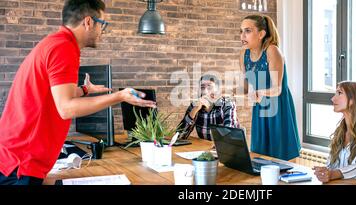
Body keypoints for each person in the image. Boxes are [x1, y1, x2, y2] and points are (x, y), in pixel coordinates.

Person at [0, 0, 156, 185]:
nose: (103, 31)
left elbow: (52, 93)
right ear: (89, 22)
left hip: (16, 157)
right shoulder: (63, 48)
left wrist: (84, 90)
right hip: (21, 163)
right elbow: (66, 109)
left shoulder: (55, 42)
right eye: (103, 24)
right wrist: (119, 96)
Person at [239, 15, 300, 161]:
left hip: (278, 109)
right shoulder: (243, 54)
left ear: (261, 34)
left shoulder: (272, 50)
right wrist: (221, 92)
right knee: (259, 158)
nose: (242, 36)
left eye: (247, 31)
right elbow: (245, 88)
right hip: (260, 108)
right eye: (241, 31)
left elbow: (277, 88)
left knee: (280, 161)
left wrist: (259, 92)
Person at [177, 74, 240, 141]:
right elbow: (179, 137)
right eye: (202, 87)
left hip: (225, 149)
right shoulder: (195, 106)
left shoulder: (227, 104)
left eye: (209, 87)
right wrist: (194, 111)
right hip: (204, 149)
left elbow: (230, 135)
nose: (205, 91)